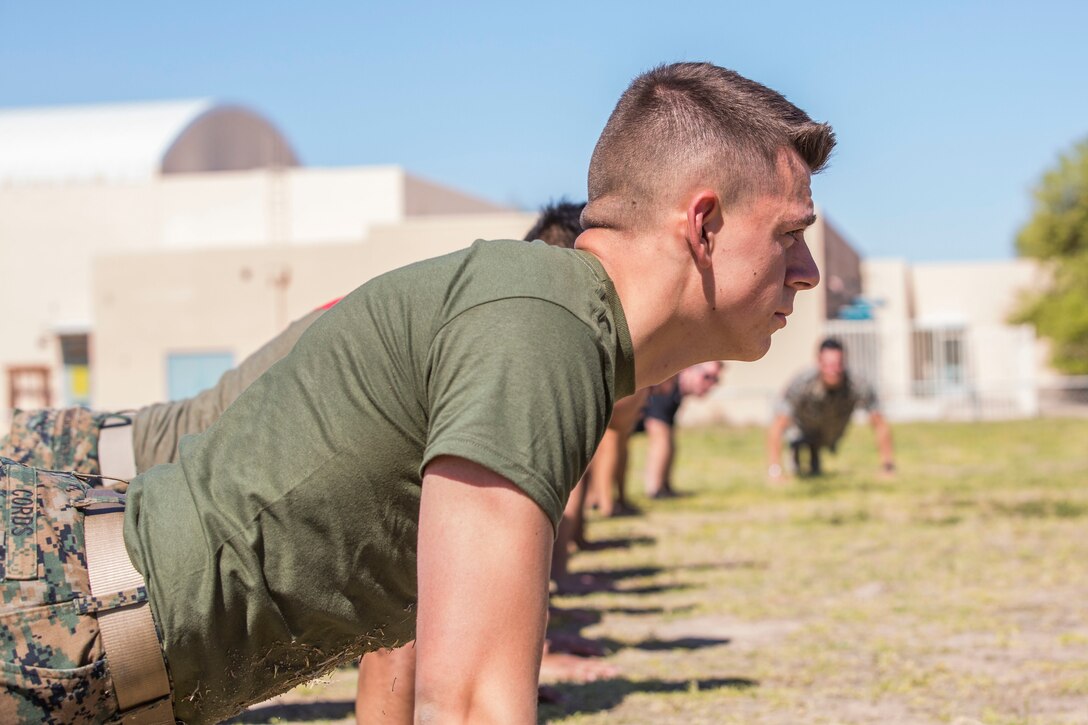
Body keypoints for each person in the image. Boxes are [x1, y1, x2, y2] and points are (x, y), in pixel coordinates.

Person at [1, 61, 832, 724]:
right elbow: (466, 703)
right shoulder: (545, 331)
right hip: (47, 612)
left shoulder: (560, 327)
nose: (809, 271)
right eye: (790, 234)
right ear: (704, 223)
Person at [766, 337, 895, 481]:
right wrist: (774, 471)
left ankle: (815, 451)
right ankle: (798, 448)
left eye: (837, 364)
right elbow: (778, 424)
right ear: (819, 363)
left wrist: (887, 466)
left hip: (831, 431)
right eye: (828, 365)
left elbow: (879, 423)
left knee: (817, 462)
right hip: (802, 427)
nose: (833, 370)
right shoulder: (802, 383)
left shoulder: (857, 384)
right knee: (800, 449)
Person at [640, 360, 724, 498]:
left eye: (716, 379)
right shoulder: (666, 387)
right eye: (707, 377)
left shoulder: (676, 394)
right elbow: (659, 437)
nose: (711, 384)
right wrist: (656, 490)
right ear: (689, 370)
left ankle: (663, 487)